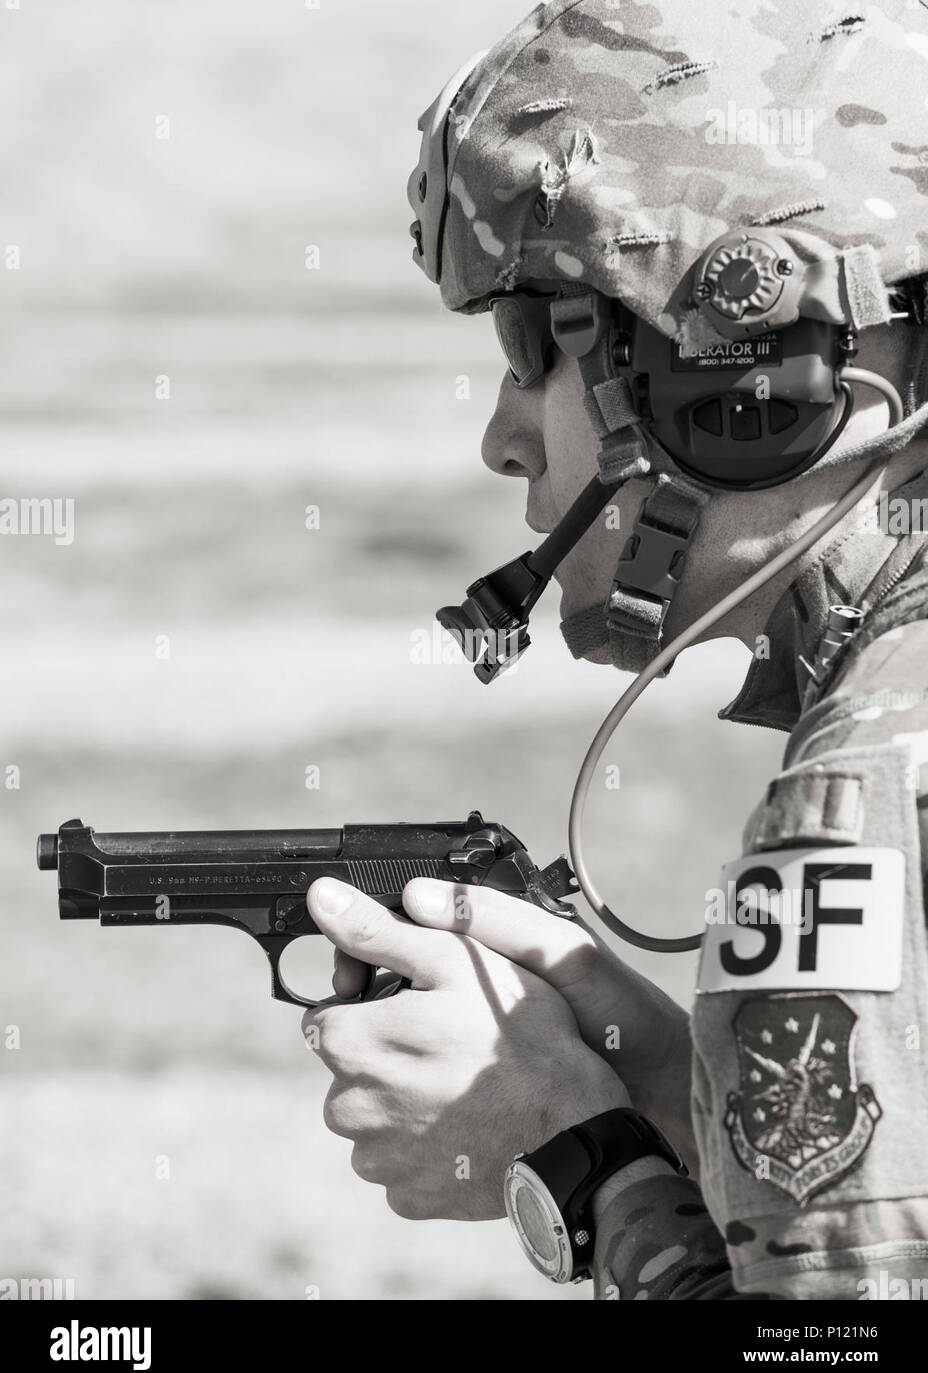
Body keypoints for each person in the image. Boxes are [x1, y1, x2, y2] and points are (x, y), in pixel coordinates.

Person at [302, 0, 928, 1298]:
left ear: (733, 389)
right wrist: (668, 1076)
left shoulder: (865, 786)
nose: (503, 438)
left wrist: (579, 1157)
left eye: (536, 351)